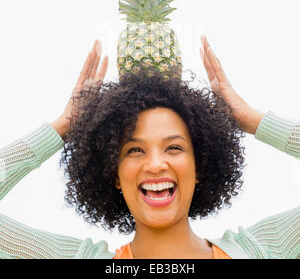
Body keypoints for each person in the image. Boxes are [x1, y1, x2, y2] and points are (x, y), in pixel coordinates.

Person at [0, 38, 298, 259]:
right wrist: (63, 127)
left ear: (199, 167)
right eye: (134, 150)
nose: (155, 164)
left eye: (174, 148)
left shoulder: (257, 252)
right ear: (114, 174)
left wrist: (251, 120)